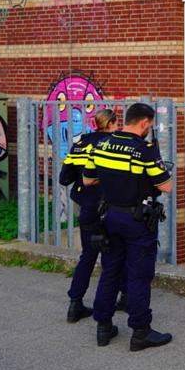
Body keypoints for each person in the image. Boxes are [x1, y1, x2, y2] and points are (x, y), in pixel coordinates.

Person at [83, 103, 174, 351]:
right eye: (150, 125)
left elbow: (88, 180)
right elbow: (166, 187)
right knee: (139, 274)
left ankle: (103, 327)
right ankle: (140, 331)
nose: (149, 129)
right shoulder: (144, 150)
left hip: (109, 216)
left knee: (110, 271)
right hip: (137, 221)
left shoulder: (101, 145)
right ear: (144, 123)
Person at [58, 108, 127, 323]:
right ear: (111, 124)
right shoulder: (114, 145)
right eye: (117, 123)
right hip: (111, 208)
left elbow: (64, 178)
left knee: (87, 256)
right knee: (116, 255)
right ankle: (122, 299)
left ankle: (75, 304)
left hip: (87, 208)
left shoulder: (79, 145)